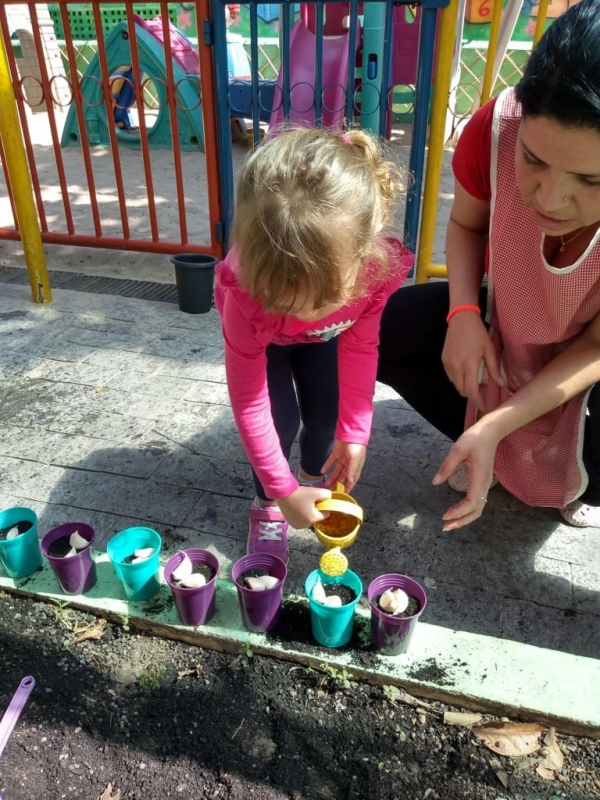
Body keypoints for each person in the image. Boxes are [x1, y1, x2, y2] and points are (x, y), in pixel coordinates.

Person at [377, 0, 600, 531]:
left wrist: (498, 421)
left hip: (587, 369)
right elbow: (468, 226)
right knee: (387, 324)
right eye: (534, 159)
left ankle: (575, 475)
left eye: (591, 181)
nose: (550, 198)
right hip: (511, 328)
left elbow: (595, 347)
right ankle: (495, 448)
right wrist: (463, 313)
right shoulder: (495, 127)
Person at [215, 127, 413, 562]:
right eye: (285, 297)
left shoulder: (372, 276)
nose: (304, 313)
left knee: (327, 416)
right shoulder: (243, 292)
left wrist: (356, 433)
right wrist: (281, 491)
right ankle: (267, 505)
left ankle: (312, 478)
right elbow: (249, 402)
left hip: (326, 341)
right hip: (264, 345)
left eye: (323, 299)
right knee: (279, 423)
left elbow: (362, 349)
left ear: (362, 257)